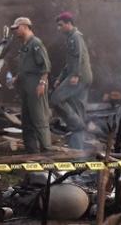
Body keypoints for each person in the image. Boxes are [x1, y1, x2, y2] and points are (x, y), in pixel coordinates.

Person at [9, 17, 53, 153]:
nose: (15, 31)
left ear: (24, 26)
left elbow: (45, 66)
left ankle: (46, 151)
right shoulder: (25, 45)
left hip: (35, 85)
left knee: (39, 118)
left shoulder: (36, 43)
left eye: (17, 28)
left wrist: (42, 83)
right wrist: (16, 77)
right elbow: (25, 66)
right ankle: (32, 152)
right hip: (26, 86)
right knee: (27, 120)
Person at [50, 11, 92, 150]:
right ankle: (78, 150)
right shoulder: (71, 37)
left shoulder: (75, 37)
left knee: (56, 98)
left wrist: (75, 75)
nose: (59, 28)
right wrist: (60, 78)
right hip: (83, 76)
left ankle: (78, 125)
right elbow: (69, 63)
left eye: (61, 25)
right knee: (78, 110)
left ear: (69, 24)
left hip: (80, 77)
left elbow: (78, 57)